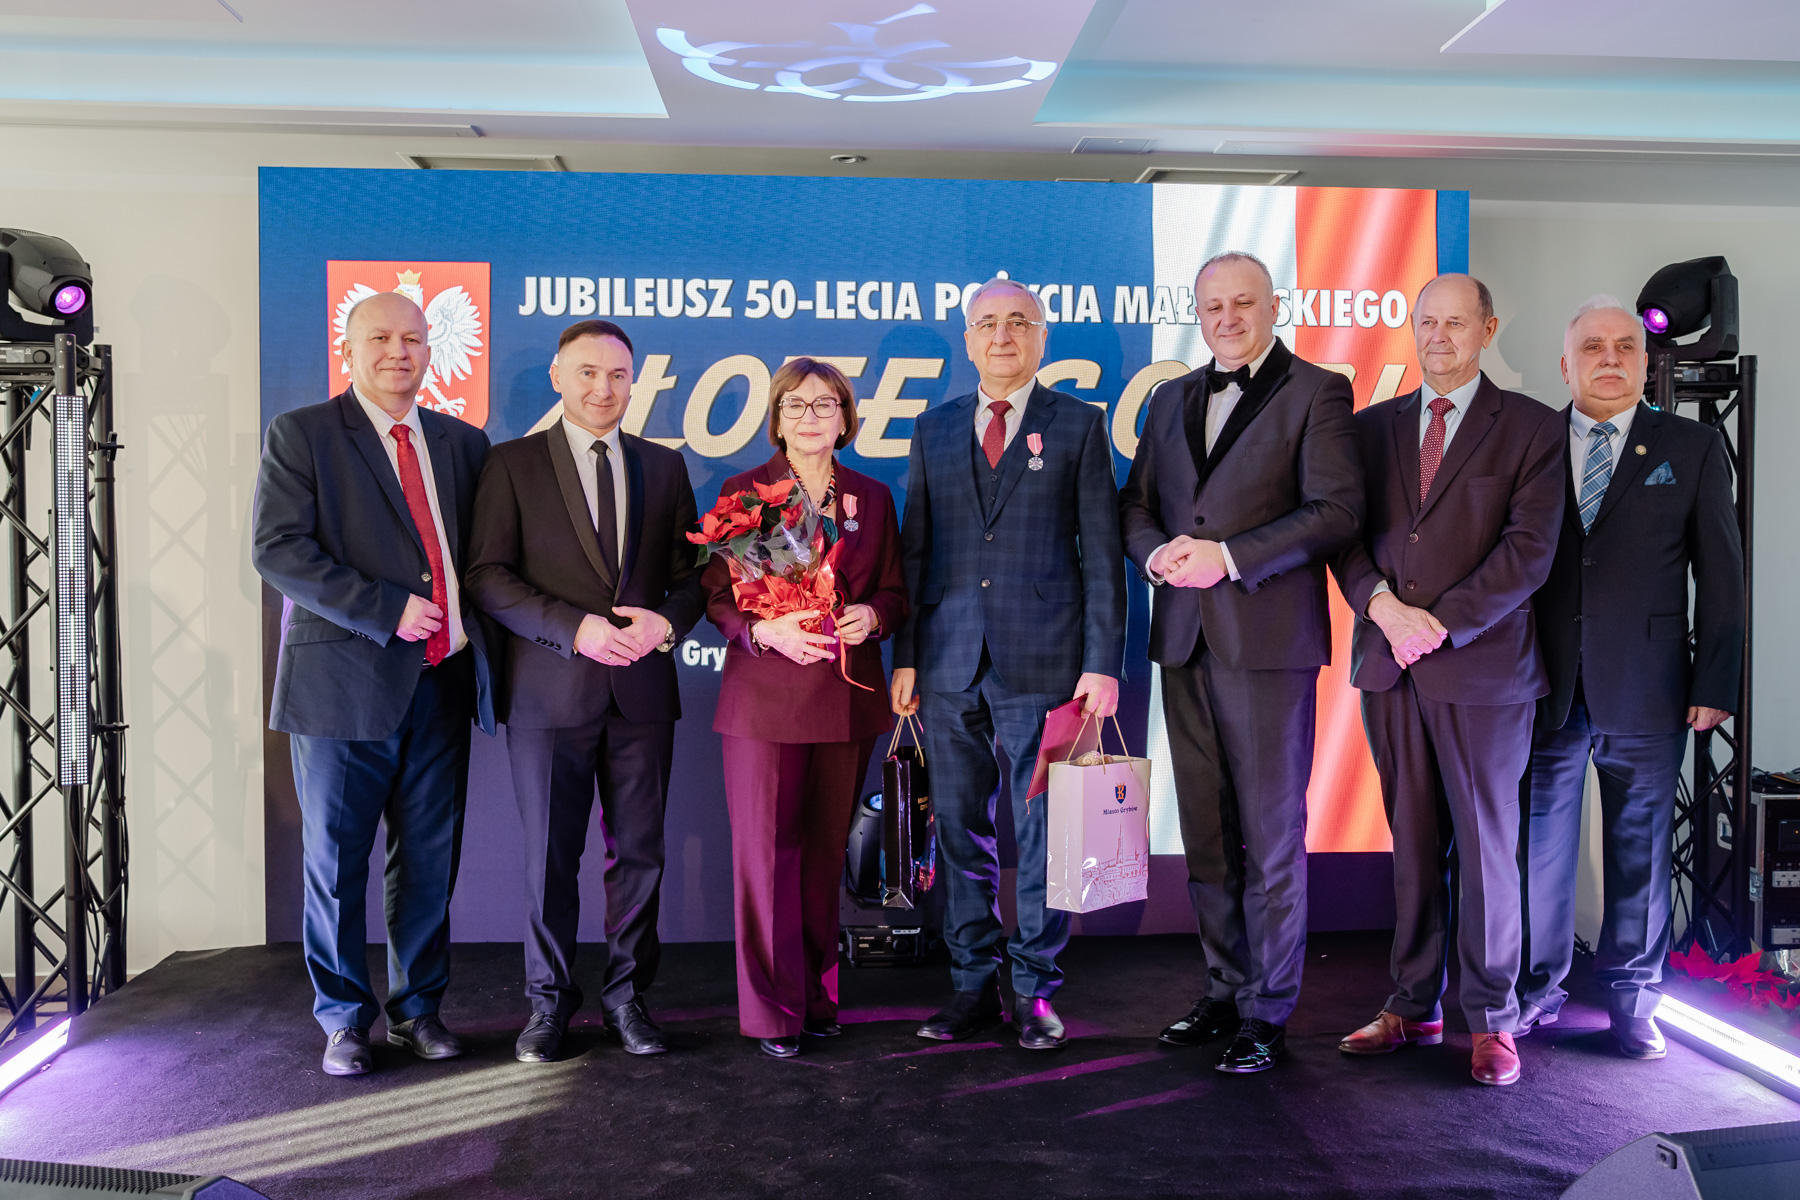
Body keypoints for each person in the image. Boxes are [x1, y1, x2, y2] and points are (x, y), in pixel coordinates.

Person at [1119, 252, 1363, 1074]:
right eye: (1213, 306)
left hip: (1267, 645)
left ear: (1273, 305)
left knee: (1271, 836)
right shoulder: (1171, 398)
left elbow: (1336, 510)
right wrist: (1155, 556)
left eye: (1243, 303)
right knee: (1209, 836)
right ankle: (1224, 989)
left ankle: (1268, 1009)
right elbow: (1137, 505)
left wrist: (1227, 557)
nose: (1227, 318)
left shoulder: (1319, 391)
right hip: (1183, 639)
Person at [252, 291, 494, 1077]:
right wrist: (387, 609)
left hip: (443, 684)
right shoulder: (304, 434)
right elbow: (278, 550)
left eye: (414, 339)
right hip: (342, 685)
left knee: (429, 861)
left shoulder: (463, 443)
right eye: (382, 337)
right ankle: (344, 1020)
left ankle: (419, 1010)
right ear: (348, 349)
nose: (399, 351)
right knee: (336, 864)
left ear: (430, 350)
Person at [1331, 274, 1564, 1087]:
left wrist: (1438, 623)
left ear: (1486, 329)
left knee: (1489, 851)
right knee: (1413, 843)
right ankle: (1413, 1003)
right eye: (1427, 321)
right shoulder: (1370, 429)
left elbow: (1529, 552)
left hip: (1485, 671)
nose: (1439, 335)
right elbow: (1342, 535)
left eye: (1456, 322)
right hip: (1389, 666)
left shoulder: (1532, 427)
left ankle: (1493, 1019)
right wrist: (1384, 609)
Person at [891, 277, 1126, 1051]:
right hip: (947, 662)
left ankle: (1034, 990)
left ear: (1041, 337)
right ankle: (971, 986)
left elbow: (1103, 556)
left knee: (1049, 831)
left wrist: (1102, 663)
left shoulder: (1080, 426)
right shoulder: (933, 429)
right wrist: (907, 658)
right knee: (959, 830)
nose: (1002, 335)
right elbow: (916, 552)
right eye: (987, 323)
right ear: (968, 339)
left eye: (1019, 321)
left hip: (1049, 662)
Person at [465, 319, 703, 1064]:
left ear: (635, 382)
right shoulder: (511, 464)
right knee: (549, 861)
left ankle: (628, 999)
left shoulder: (664, 466)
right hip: (547, 695)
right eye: (589, 373)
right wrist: (574, 629)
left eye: (618, 375)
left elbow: (696, 576)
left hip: (642, 694)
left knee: (640, 857)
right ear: (559, 378)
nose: (604, 388)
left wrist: (667, 622)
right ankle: (547, 1006)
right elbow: (486, 576)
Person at [1516, 298, 1744, 1059]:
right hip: (1540, 684)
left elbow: (1722, 576)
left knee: (1640, 853)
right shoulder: (1527, 443)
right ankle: (1536, 991)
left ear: (1646, 364)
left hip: (1651, 685)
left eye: (1625, 347)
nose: (1609, 358)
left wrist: (1715, 682)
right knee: (1537, 850)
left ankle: (1633, 1000)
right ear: (1566, 365)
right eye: (1592, 347)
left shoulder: (1694, 446)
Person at [703, 359, 909, 1059]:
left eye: (826, 404)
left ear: (846, 417)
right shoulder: (744, 492)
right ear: (778, 417)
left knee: (824, 857)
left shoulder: (872, 497)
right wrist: (763, 632)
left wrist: (873, 616)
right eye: (796, 404)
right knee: (766, 859)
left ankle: (818, 1000)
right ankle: (772, 1012)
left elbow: (895, 591)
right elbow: (718, 597)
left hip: (846, 701)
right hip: (764, 701)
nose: (811, 416)